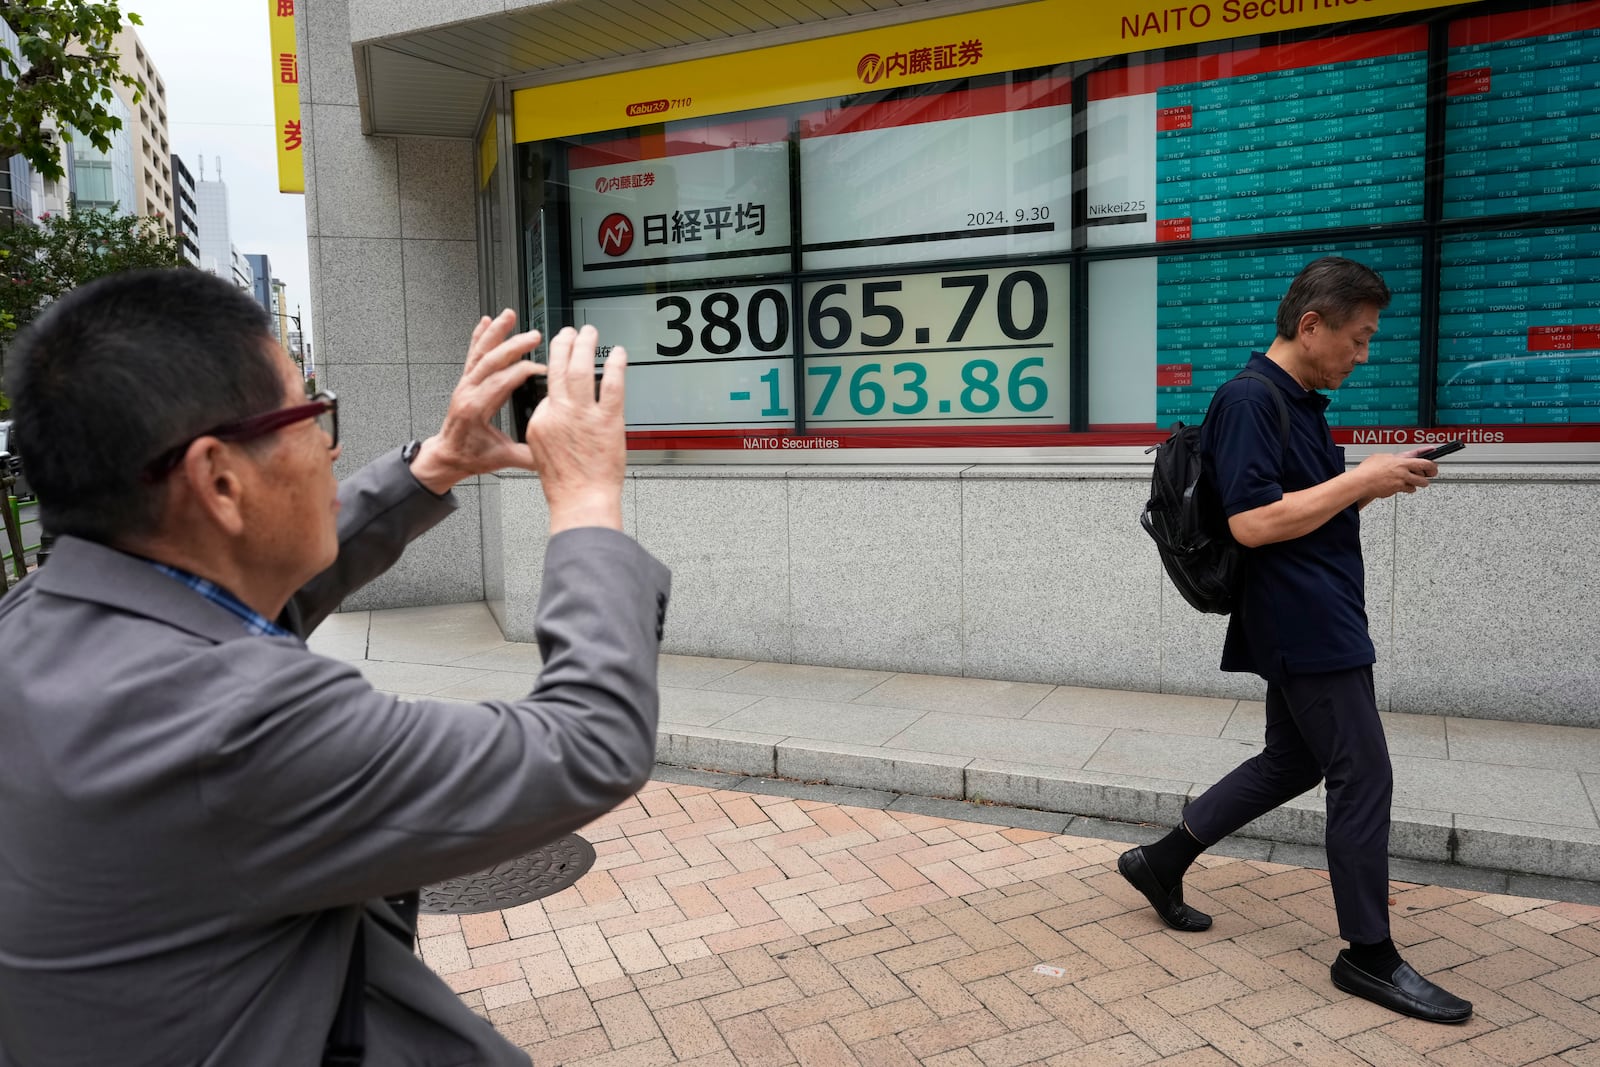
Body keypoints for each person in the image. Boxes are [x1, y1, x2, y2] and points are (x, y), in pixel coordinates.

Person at [0, 268, 670, 1065]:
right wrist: (588, 501)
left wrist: (438, 461)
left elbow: (237, 592)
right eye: (310, 413)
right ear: (219, 478)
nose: (332, 444)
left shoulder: (42, 621)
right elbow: (589, 743)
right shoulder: (234, 722)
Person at [1117, 256, 1473, 1025]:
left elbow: (1300, 512)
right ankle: (1367, 955)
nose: (1364, 353)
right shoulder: (1249, 400)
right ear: (1310, 325)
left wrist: (1376, 481)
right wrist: (1361, 480)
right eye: (1359, 336)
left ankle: (1161, 860)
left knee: (1295, 758)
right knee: (1362, 772)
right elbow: (1250, 522)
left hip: (1321, 607)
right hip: (1303, 619)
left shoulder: (1299, 401)